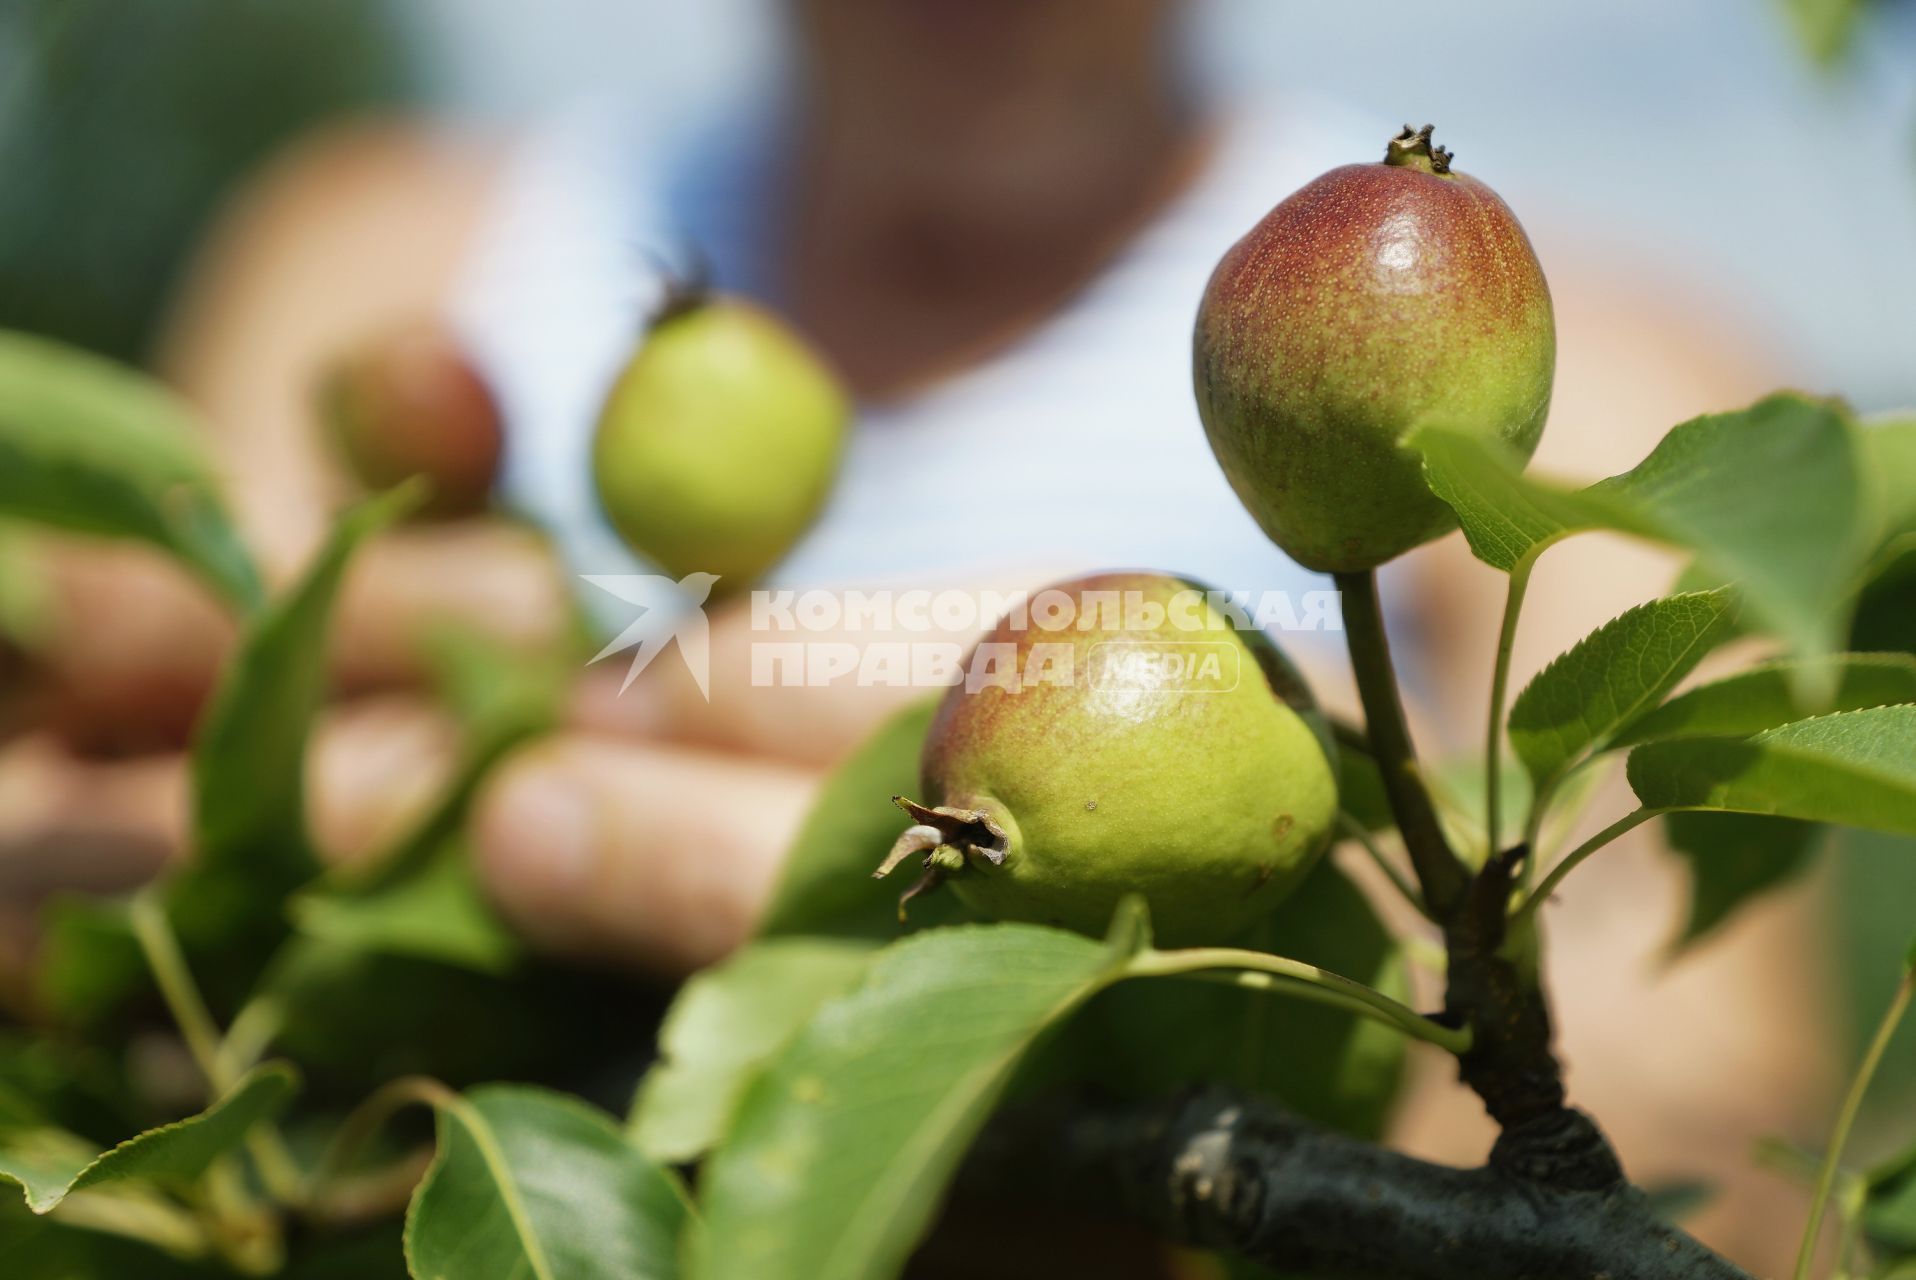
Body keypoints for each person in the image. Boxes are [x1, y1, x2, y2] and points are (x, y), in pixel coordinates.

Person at [0, 2, 1826, 1267]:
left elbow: (1721, 1193)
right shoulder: (389, 261)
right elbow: (110, 887)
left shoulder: (1609, 372)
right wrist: (179, 898)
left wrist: (1157, 1102)